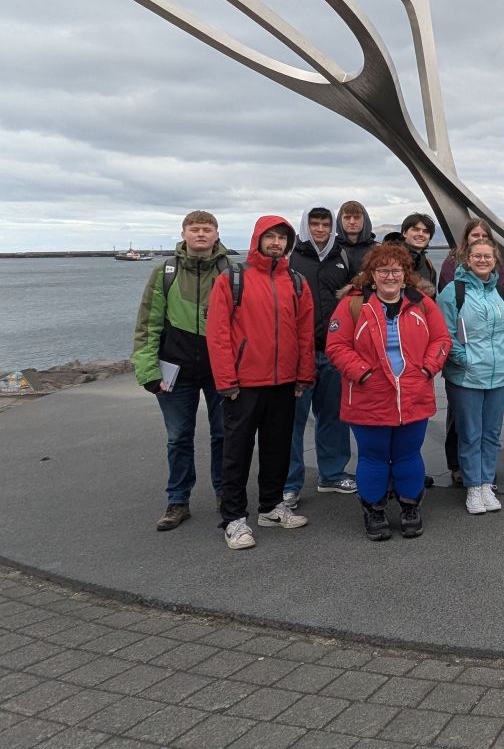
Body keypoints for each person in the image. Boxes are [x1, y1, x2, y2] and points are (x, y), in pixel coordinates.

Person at [326, 244, 451, 540]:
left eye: (396, 270)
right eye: (383, 270)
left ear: (406, 274)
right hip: (369, 395)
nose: (390, 276)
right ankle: (374, 509)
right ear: (372, 274)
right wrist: (364, 373)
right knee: (373, 457)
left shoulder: (421, 303)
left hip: (413, 392)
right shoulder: (353, 305)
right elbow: (336, 346)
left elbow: (442, 338)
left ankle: (410, 507)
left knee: (408, 455)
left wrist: (426, 368)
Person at [207, 216, 315, 550]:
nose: (276, 243)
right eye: (270, 237)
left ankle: (270, 506)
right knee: (236, 451)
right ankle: (234, 519)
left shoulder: (296, 282)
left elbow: (305, 333)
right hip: (244, 382)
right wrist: (226, 379)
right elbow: (218, 333)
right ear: (258, 239)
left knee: (277, 448)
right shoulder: (232, 279)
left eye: (282, 238)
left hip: (283, 381)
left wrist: (303, 375)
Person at [132, 210, 231, 531]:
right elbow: (148, 324)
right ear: (184, 233)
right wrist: (148, 371)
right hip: (176, 368)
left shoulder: (231, 271)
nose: (200, 234)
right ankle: (178, 500)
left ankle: (225, 494)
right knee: (178, 437)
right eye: (194, 228)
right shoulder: (165, 272)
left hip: (220, 369)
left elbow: (242, 324)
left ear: (216, 234)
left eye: (207, 229)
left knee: (224, 435)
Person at [436, 238, 504, 515]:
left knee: (492, 433)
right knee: (470, 432)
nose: (483, 260)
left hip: (498, 374)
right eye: (477, 256)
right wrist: (465, 360)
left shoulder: (503, 294)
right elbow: (444, 333)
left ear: (495, 261)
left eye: (488, 257)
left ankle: (486, 483)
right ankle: (473, 485)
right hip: (466, 376)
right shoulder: (453, 292)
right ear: (467, 260)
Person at [284, 203, 357, 507]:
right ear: (306, 226)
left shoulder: (341, 256)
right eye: (314, 224)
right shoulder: (293, 257)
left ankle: (331, 473)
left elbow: (353, 296)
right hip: (299, 353)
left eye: (325, 224)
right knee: (293, 421)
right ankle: (289, 482)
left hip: (333, 351)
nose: (320, 229)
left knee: (333, 417)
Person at [439, 217, 504, 288]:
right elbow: (447, 290)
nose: (480, 239)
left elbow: (502, 288)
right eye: (475, 235)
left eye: (484, 236)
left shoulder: (496, 262)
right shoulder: (452, 262)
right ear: (466, 238)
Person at [390, 212, 439, 289]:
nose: (421, 234)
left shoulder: (428, 266)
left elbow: (431, 298)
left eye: (426, 231)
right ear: (404, 233)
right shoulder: (389, 260)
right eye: (415, 230)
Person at [335, 200, 377, 273]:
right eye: (347, 217)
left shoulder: (377, 250)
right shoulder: (331, 249)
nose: (352, 222)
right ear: (340, 220)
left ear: (365, 220)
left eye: (357, 217)